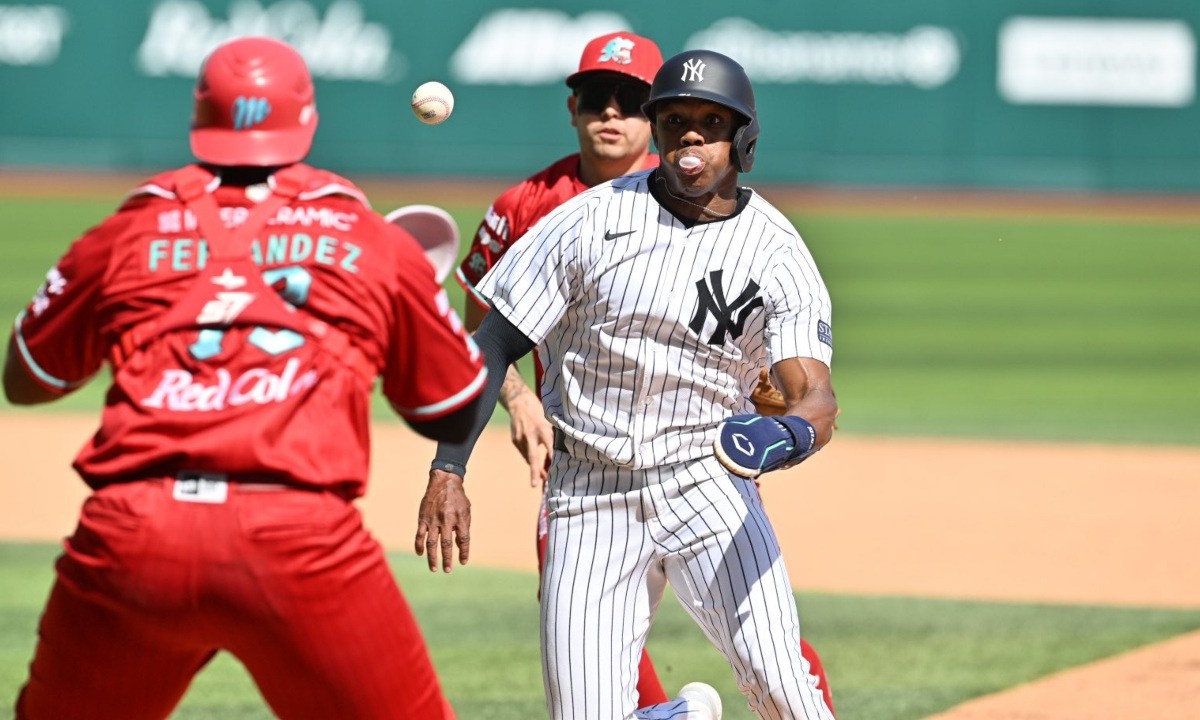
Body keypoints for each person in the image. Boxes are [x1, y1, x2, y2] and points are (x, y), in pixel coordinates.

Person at [4, 37, 486, 720]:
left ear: (200, 118)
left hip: (135, 540)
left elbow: (27, 378)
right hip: (298, 544)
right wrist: (386, 312)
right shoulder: (367, 237)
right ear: (308, 120)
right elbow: (454, 408)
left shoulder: (127, 228)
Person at [417, 48, 840, 720]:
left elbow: (813, 395)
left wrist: (787, 433)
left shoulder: (777, 253)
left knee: (783, 684)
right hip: (588, 494)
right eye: (675, 122)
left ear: (744, 140)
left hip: (709, 485)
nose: (691, 137)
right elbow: (493, 344)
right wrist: (448, 470)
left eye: (710, 122)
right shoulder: (585, 221)